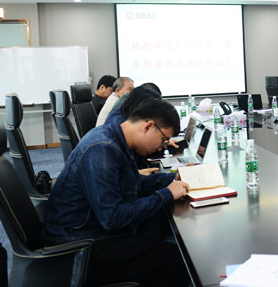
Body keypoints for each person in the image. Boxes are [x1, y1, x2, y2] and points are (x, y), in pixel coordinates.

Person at [44, 98, 191, 287]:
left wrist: (172, 179)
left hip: (91, 232)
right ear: (147, 126)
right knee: (177, 261)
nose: (161, 147)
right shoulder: (102, 149)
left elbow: (133, 184)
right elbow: (112, 218)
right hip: (79, 245)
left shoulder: (116, 138)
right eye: (163, 139)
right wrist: (166, 194)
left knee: (157, 226)